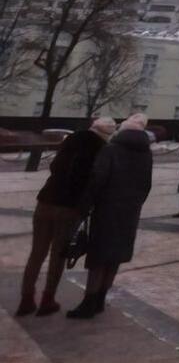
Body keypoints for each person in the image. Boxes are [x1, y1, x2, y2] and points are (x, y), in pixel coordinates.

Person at [17, 117, 115, 317]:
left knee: (36, 253)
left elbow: (55, 168)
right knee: (57, 256)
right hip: (69, 207)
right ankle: (47, 299)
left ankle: (26, 300)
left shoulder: (69, 141)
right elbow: (94, 180)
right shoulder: (101, 149)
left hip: (45, 200)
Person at [67, 114, 153, 319]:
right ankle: (100, 300)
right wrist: (134, 204)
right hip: (130, 212)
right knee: (115, 257)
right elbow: (146, 185)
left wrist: (85, 206)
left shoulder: (111, 150)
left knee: (98, 258)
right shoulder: (146, 154)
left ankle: (89, 302)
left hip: (106, 209)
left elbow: (98, 179)